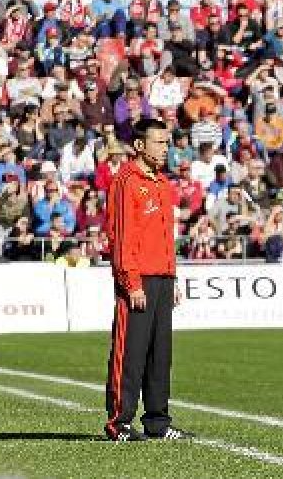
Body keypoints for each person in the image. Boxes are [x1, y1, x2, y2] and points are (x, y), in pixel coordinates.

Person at [103, 117, 192, 442]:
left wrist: (173, 277)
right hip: (138, 280)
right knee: (130, 353)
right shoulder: (127, 181)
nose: (165, 148)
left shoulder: (162, 182)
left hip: (162, 277)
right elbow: (123, 236)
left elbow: (164, 237)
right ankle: (119, 422)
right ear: (140, 145)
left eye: (167, 142)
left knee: (160, 356)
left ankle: (158, 421)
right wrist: (131, 282)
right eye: (159, 142)